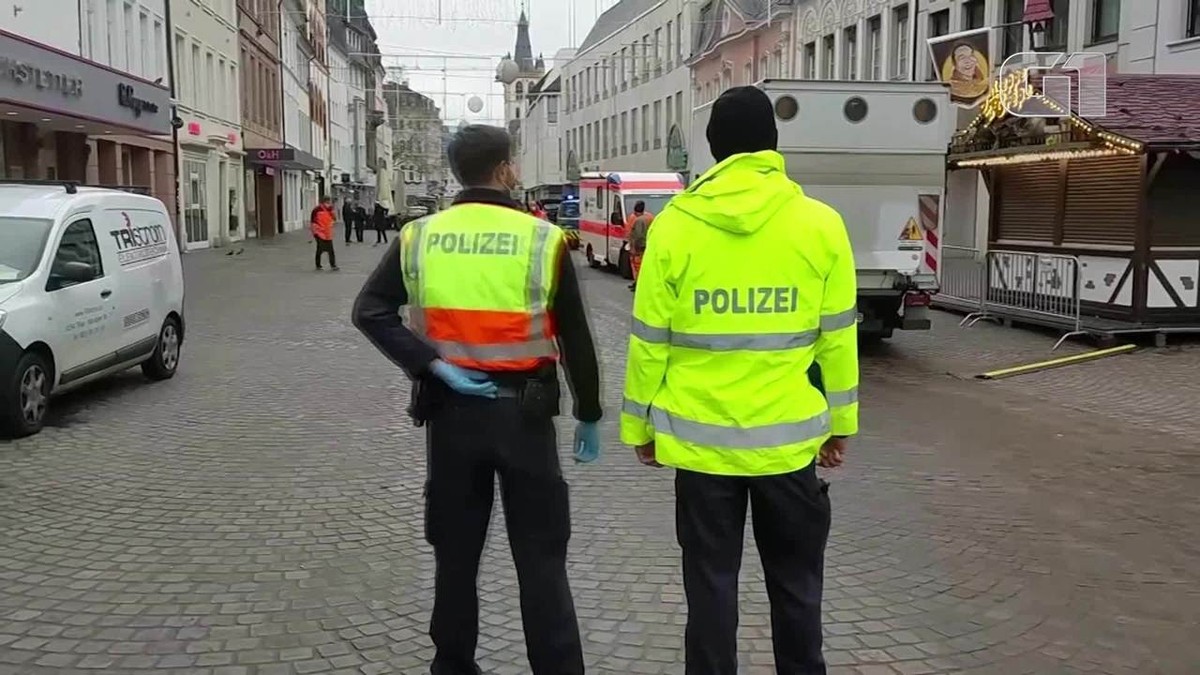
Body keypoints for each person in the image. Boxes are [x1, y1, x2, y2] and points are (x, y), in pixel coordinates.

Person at [620, 86, 859, 675]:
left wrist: (639, 427)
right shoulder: (821, 225)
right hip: (789, 448)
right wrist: (841, 425)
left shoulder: (674, 227)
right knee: (798, 589)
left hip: (702, 453)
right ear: (774, 146)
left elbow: (650, 341)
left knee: (710, 593)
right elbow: (837, 340)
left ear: (713, 149)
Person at [352, 124, 602, 675]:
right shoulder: (541, 239)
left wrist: (434, 364)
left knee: (456, 558)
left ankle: (453, 666)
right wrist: (588, 412)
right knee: (541, 560)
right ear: (506, 170)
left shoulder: (420, 236)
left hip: (451, 416)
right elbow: (575, 337)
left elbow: (369, 310)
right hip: (527, 416)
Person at [625, 200, 654, 292]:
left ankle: (638, 284)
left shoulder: (638, 220)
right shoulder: (650, 217)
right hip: (649, 245)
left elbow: (637, 236)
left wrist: (633, 248)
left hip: (639, 248)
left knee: (637, 266)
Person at [311, 196, 339, 271]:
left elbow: (334, 218)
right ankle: (319, 265)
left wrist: (332, 212)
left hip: (326, 233)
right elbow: (313, 222)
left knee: (329, 250)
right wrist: (315, 232)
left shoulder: (329, 210)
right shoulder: (317, 210)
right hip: (320, 232)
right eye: (327, 202)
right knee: (321, 249)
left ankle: (332, 265)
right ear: (324, 202)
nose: (328, 204)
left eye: (329, 202)